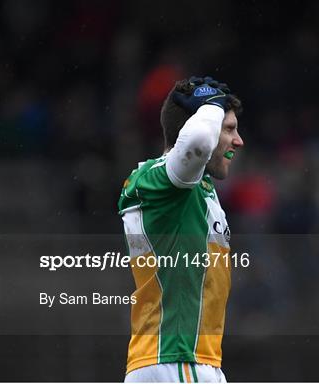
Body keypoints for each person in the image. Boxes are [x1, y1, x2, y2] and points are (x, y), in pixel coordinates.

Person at [118, 76, 244, 382]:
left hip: (186, 361)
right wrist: (211, 104)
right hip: (177, 361)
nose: (238, 141)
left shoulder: (196, 190)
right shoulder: (165, 182)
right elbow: (198, 142)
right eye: (229, 129)